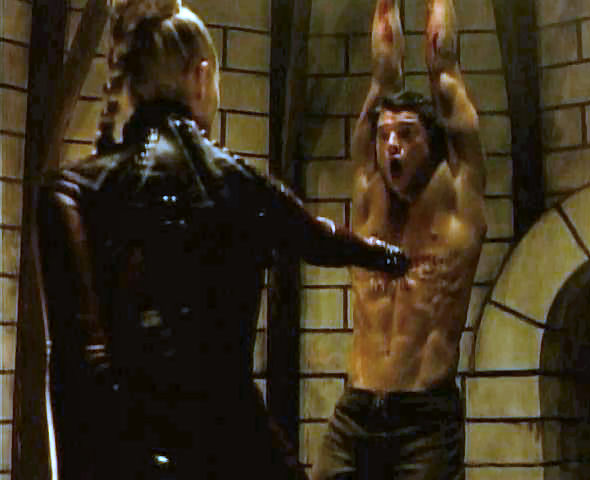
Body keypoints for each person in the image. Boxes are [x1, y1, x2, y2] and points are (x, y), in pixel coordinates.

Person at [37, 1, 409, 478]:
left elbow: (80, 364)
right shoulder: (240, 184)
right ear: (201, 76)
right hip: (235, 448)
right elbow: (323, 240)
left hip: (127, 458)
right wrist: (395, 258)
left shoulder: (70, 191)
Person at [311, 0, 486, 479]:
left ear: (433, 143)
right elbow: (383, 75)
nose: (391, 144)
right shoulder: (370, 195)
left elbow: (444, 71)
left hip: (424, 417)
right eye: (385, 135)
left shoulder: (458, 199)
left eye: (406, 134)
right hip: (356, 410)